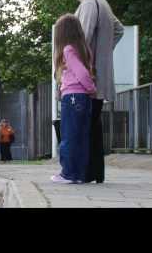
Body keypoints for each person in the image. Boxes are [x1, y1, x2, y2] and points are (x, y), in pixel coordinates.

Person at [73, 0, 124, 183]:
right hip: (100, 75)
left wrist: (74, 67)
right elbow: (119, 29)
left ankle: (84, 172)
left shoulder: (87, 4)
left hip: (87, 76)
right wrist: (104, 52)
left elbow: (81, 38)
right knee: (94, 123)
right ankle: (96, 172)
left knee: (83, 124)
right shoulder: (103, 3)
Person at [51, 14, 96, 184]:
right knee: (82, 138)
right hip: (83, 99)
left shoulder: (68, 50)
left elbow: (82, 74)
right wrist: (89, 91)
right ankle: (80, 175)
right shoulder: (84, 50)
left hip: (72, 98)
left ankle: (68, 174)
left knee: (68, 137)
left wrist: (91, 88)